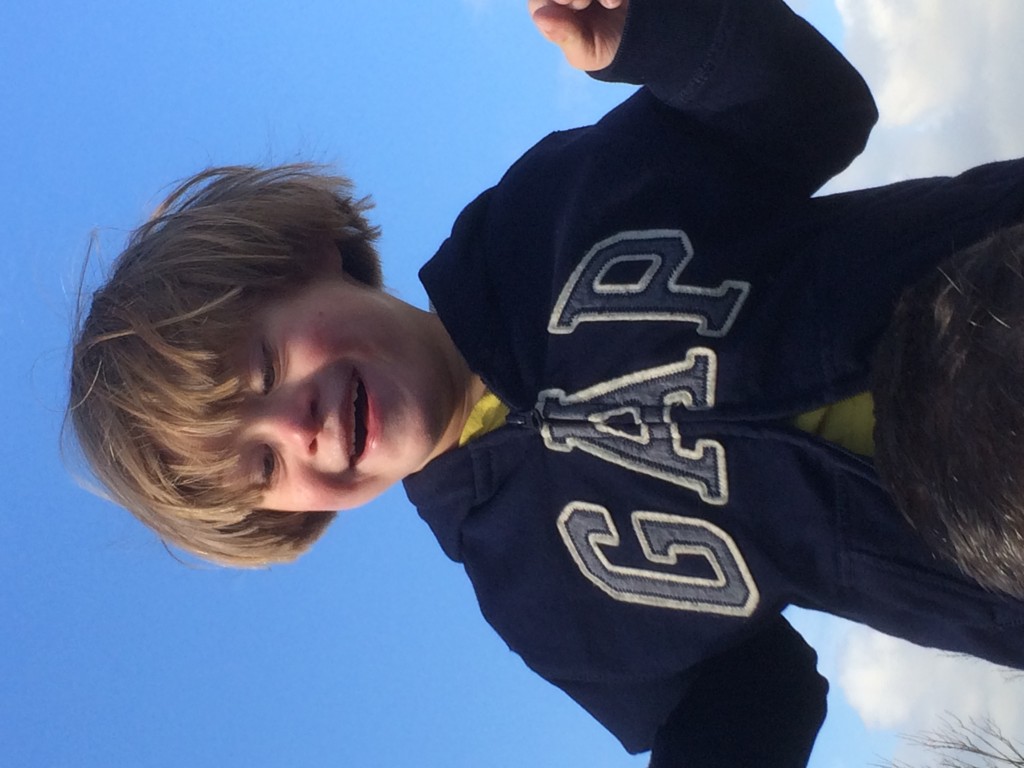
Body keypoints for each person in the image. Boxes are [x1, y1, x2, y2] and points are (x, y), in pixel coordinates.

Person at [66, 0, 1024, 765]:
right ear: (293, 519)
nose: (296, 425)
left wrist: (658, 28)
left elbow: (816, 111)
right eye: (264, 467)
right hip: (992, 561)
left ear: (311, 255)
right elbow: (750, 694)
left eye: (264, 370)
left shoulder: (547, 215)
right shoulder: (537, 606)